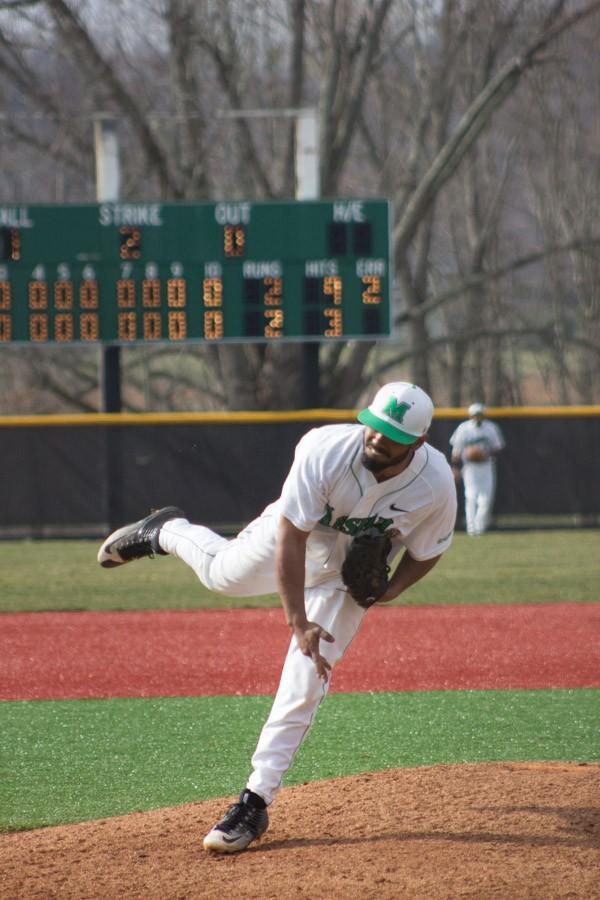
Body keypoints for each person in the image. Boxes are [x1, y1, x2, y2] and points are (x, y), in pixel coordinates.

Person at [98, 382, 457, 854]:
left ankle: (254, 801)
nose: (375, 438)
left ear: (418, 442)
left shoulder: (435, 485)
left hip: (344, 582)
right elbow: (292, 536)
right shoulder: (325, 449)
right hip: (295, 540)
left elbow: (430, 549)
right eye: (373, 426)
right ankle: (165, 530)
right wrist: (298, 622)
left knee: (306, 679)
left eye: (390, 436)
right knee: (220, 575)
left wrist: (389, 591)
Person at [449, 402, 505, 536]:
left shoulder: (491, 428)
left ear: (483, 415)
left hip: (486, 466)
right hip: (470, 467)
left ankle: (480, 526)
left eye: (479, 415)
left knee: (485, 498)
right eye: (475, 415)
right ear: (470, 416)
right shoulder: (463, 428)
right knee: (470, 496)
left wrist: (484, 455)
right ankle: (471, 528)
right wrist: (455, 467)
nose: (477, 417)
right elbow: (456, 451)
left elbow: (498, 448)